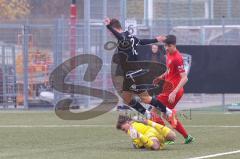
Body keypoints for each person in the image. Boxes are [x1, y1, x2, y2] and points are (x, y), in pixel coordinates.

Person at [104, 17, 175, 124]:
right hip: (131, 73)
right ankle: (148, 114)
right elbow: (141, 41)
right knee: (127, 98)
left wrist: (108, 26)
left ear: (115, 28)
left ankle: (167, 111)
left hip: (133, 73)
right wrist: (156, 39)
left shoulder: (123, 37)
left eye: (111, 31)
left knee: (145, 99)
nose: (110, 33)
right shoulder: (129, 36)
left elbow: (118, 35)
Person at [153, 35, 194, 144]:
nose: (166, 48)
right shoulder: (169, 54)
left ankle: (167, 137)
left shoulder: (177, 58)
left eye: (169, 46)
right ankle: (187, 137)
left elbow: (185, 78)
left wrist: (174, 92)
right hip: (168, 90)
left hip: (173, 91)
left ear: (174, 45)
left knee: (154, 112)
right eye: (165, 46)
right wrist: (160, 77)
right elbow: (169, 71)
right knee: (166, 115)